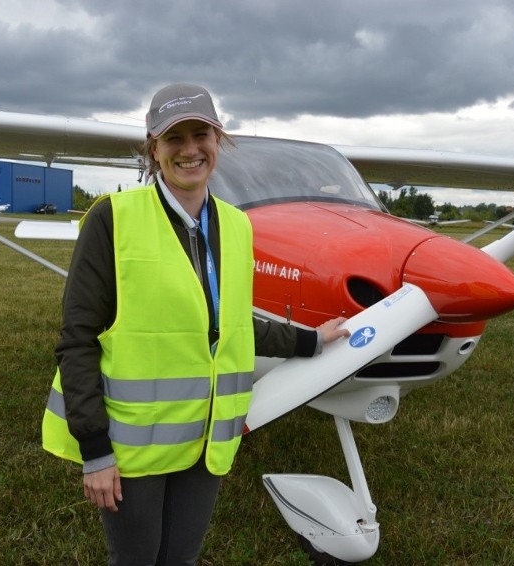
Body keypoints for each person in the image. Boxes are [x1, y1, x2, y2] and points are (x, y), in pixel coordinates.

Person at [41, 83, 349, 566]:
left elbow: (229, 324)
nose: (189, 149)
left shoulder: (236, 225)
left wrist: (311, 339)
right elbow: (77, 339)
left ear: (218, 140)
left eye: (200, 134)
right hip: (132, 445)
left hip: (207, 441)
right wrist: (96, 451)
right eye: (173, 138)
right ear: (153, 148)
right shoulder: (112, 220)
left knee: (181, 558)